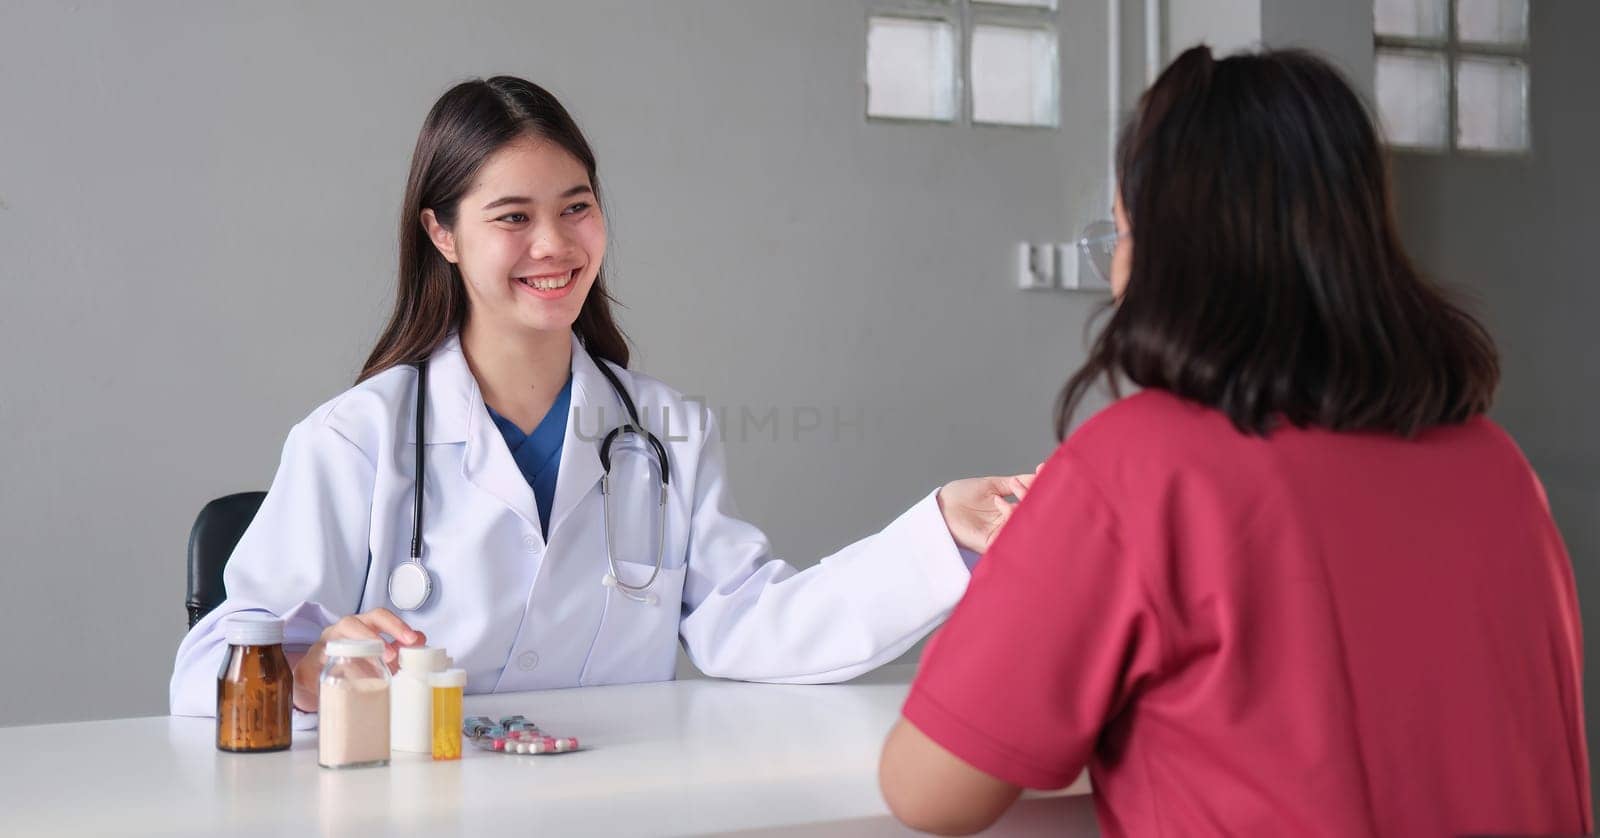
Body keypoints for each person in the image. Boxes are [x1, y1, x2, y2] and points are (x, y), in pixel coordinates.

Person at [879, 46, 1590, 836]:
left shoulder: (1139, 470)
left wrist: (1040, 562)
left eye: (1117, 236)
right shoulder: (1494, 465)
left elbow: (928, 790)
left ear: (1165, 249)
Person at [171, 76, 1031, 720]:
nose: (553, 244)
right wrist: (315, 664)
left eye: (576, 207)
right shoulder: (357, 440)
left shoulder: (665, 434)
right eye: (512, 217)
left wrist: (941, 530)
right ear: (442, 234)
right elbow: (207, 666)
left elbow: (755, 624)